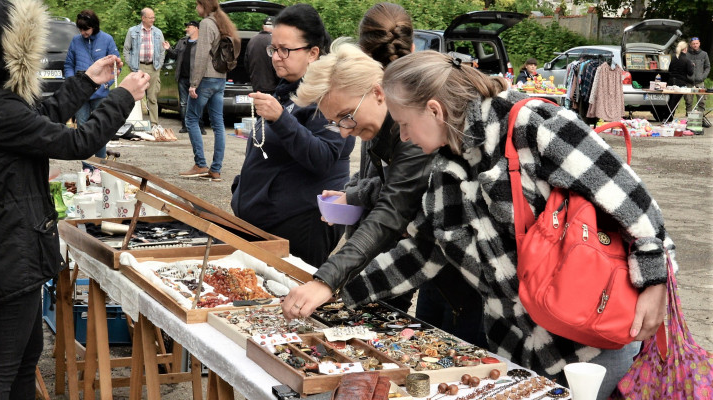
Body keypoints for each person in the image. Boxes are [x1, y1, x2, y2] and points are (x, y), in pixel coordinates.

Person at [298, 51, 674, 400]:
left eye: (405, 125)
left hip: (592, 337)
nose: (406, 137)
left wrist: (655, 282)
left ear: (434, 109)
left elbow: (634, 203)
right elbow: (422, 252)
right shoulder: (446, 168)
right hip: (519, 346)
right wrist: (337, 294)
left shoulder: (532, 124)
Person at [0, 0, 149, 397]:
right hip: (11, 244)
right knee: (4, 368)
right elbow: (79, 141)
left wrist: (87, 81)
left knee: (26, 357)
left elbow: (44, 113)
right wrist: (123, 97)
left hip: (10, 239)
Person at [285, 4, 433, 317]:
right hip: (415, 258)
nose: (343, 133)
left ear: (379, 93)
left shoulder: (414, 129)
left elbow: (391, 211)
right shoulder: (376, 119)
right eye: (335, 123)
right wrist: (352, 195)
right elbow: (387, 190)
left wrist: (327, 279)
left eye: (346, 118)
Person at [231, 4, 355, 268]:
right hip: (265, 224)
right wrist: (242, 188)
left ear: (312, 53)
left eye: (285, 50)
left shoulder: (331, 97)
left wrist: (280, 118)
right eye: (273, 49)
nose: (276, 57)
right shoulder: (286, 89)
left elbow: (323, 157)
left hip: (300, 226)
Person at [178, 0, 241, 182]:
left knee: (191, 118)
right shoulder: (223, 22)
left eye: (197, 5)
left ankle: (200, 164)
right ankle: (215, 170)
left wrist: (193, 83)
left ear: (203, 5)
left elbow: (202, 55)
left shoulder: (206, 23)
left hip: (205, 79)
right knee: (218, 124)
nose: (196, 8)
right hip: (220, 79)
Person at [64, 10, 121, 170]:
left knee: (100, 128)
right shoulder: (76, 41)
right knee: (83, 129)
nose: (83, 33)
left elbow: (117, 66)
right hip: (80, 95)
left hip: (100, 93)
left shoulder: (107, 39)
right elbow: (69, 64)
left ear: (94, 27)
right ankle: (87, 167)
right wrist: (71, 81)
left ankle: (100, 166)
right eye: (80, 30)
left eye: (86, 29)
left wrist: (107, 83)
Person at [123, 8, 166, 131]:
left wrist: (159, 65)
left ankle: (154, 124)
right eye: (150, 17)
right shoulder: (132, 31)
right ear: (143, 18)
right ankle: (131, 123)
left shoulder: (158, 32)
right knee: (134, 96)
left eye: (153, 17)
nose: (153, 19)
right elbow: (126, 49)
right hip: (138, 67)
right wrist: (131, 65)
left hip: (153, 67)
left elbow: (162, 51)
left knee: (152, 97)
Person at [164, 21, 204, 134]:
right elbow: (174, 55)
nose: (186, 29)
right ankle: (185, 126)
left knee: (198, 102)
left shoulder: (202, 42)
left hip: (196, 78)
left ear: (196, 28)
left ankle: (200, 126)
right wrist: (168, 49)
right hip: (182, 77)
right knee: (183, 103)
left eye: (189, 27)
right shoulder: (182, 42)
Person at [245, 16, 279, 94]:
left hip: (256, 86)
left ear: (263, 26)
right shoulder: (275, 41)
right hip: (273, 87)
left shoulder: (252, 40)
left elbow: (246, 64)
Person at [686, 36, 711, 127]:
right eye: (693, 44)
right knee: (688, 101)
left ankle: (700, 121)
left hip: (700, 82)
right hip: (689, 82)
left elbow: (708, 67)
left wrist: (703, 76)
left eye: (697, 43)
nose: (695, 45)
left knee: (701, 102)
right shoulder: (686, 54)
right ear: (690, 45)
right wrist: (687, 76)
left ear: (699, 43)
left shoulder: (704, 54)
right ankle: (690, 121)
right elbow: (683, 67)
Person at [668, 41, 694, 116]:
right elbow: (690, 73)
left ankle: (666, 117)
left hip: (670, 82)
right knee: (674, 102)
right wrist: (692, 66)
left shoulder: (673, 58)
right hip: (680, 83)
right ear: (685, 49)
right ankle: (669, 118)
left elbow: (669, 70)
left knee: (670, 101)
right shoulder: (687, 60)